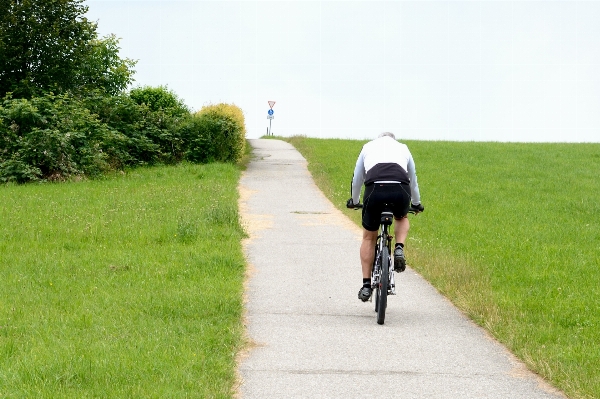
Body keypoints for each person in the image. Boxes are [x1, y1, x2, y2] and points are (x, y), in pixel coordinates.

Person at [346, 132, 424, 302]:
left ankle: (366, 285)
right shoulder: (403, 148)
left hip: (375, 189)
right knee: (401, 217)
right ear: (393, 140)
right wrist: (417, 203)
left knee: (369, 237)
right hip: (400, 189)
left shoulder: (368, 147)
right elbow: (413, 180)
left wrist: (354, 200)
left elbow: (358, 177)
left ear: (378, 139)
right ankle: (399, 247)